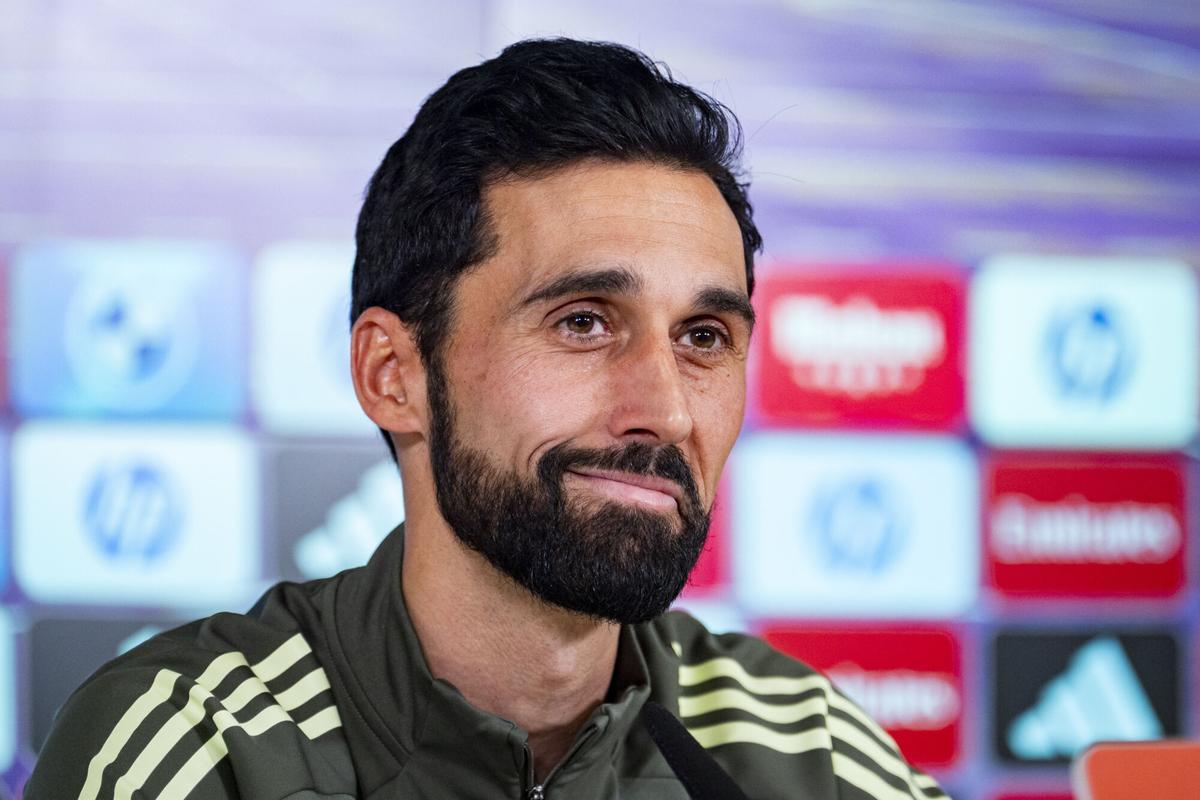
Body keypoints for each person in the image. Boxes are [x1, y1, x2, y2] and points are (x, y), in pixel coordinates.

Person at [28, 38, 947, 800]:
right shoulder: (203, 753)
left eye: (703, 336)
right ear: (393, 374)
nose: (665, 409)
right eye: (584, 322)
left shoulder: (806, 753)